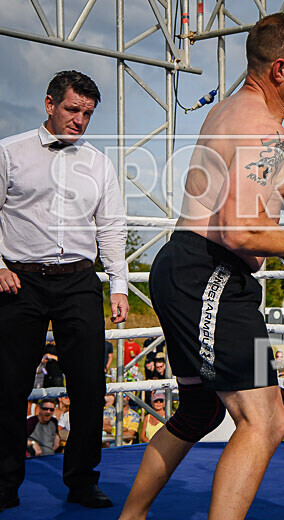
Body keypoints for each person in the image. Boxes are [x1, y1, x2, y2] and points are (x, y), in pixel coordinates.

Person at [119, 14, 284, 520]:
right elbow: (240, 231)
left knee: (200, 409)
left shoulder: (237, 113)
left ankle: (131, 516)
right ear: (280, 68)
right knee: (266, 419)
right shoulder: (261, 130)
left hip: (187, 266)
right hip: (209, 269)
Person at [0, 70, 129, 512]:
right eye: (73, 109)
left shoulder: (98, 162)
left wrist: (119, 284)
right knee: (8, 386)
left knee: (91, 385)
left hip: (78, 280)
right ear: (50, 104)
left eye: (88, 113)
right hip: (20, 279)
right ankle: (3, 483)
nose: (79, 120)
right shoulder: (10, 152)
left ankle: (81, 482)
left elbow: (110, 225)